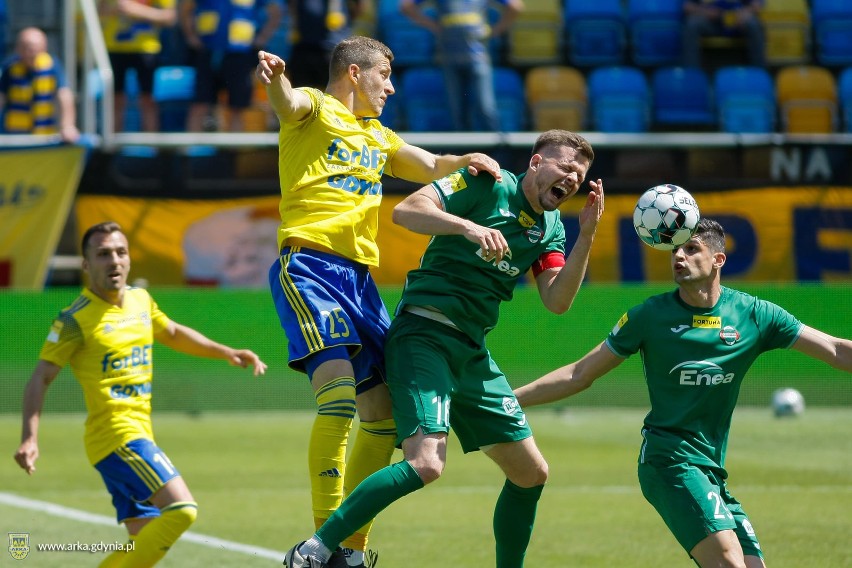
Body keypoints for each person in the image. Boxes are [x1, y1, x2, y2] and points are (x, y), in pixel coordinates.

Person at [282, 129, 605, 568]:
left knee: (532, 474)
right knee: (427, 464)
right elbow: (407, 210)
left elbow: (558, 300)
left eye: (580, 175)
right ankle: (315, 550)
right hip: (424, 336)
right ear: (535, 163)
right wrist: (469, 227)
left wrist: (585, 235)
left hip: (472, 353)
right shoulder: (484, 183)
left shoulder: (550, 228)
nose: (572, 179)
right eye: (566, 167)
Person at [256, 36, 505, 568]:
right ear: (353, 72)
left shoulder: (377, 134)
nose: (391, 88)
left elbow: (428, 164)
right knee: (340, 401)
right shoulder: (314, 106)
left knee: (385, 417)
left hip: (361, 284)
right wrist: (276, 78)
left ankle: (350, 547)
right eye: (384, 76)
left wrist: (466, 161)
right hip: (310, 265)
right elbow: (288, 103)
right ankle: (324, 543)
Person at [513, 217, 852, 568]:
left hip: (710, 469)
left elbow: (835, 349)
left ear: (718, 260)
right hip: (668, 461)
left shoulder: (754, 315)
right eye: (675, 249)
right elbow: (579, 373)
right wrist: (509, 399)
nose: (679, 256)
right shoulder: (648, 316)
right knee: (729, 563)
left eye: (692, 249)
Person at [13, 221, 267, 567]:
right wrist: (30, 438)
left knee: (141, 545)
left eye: (120, 252)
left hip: (135, 434)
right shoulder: (75, 320)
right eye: (103, 254)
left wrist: (226, 352)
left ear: (129, 259)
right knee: (182, 511)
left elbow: (174, 332)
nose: (114, 261)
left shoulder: (140, 300)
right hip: (117, 438)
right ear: (86, 265)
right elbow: (40, 377)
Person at [400, 0, 523, 132]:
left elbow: (515, 6)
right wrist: (432, 26)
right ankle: (462, 151)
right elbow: (406, 6)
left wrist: (495, 30)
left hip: (478, 58)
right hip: (449, 59)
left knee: (485, 108)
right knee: (456, 112)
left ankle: (497, 150)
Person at [180, 0, 283, 132]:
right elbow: (185, 6)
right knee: (199, 104)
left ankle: (233, 151)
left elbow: (275, 11)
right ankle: (192, 150)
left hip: (239, 54)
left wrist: (262, 38)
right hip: (208, 50)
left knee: (237, 107)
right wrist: (191, 36)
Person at [98, 0, 178, 132]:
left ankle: (151, 144)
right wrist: (116, 9)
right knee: (115, 99)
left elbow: (170, 17)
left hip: (146, 49)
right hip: (114, 48)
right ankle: (111, 145)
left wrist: (137, 11)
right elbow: (99, 12)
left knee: (148, 98)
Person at [0, 27, 79, 143]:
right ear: (18, 49)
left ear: (44, 48)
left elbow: (64, 95)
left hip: (44, 136)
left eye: (35, 49)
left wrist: (67, 126)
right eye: (26, 48)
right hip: (15, 137)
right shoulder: (9, 68)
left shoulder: (53, 67)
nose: (30, 53)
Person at [286, 0, 366, 90]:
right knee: (301, 94)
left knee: (336, 97)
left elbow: (360, 7)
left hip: (335, 49)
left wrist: (346, 22)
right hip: (303, 47)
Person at [682, 0, 766, 68]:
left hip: (738, 20)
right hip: (712, 23)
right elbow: (687, 7)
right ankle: (692, 75)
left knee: (753, 25)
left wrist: (745, 12)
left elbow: (757, 6)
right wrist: (705, 12)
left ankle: (759, 74)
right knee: (692, 24)